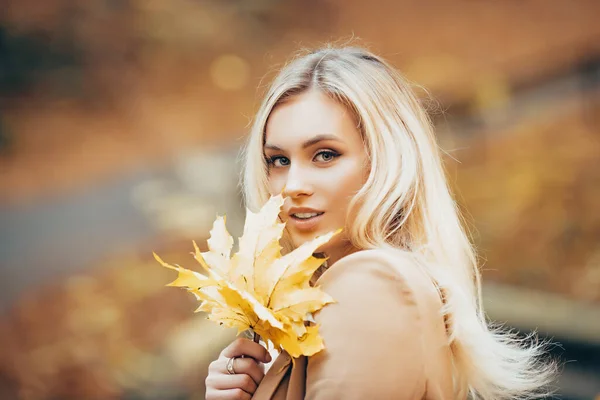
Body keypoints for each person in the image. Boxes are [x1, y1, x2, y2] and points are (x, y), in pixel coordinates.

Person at [204, 46, 555, 399]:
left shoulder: (370, 285)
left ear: (386, 161)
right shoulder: (353, 292)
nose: (292, 185)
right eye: (278, 160)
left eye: (325, 155)